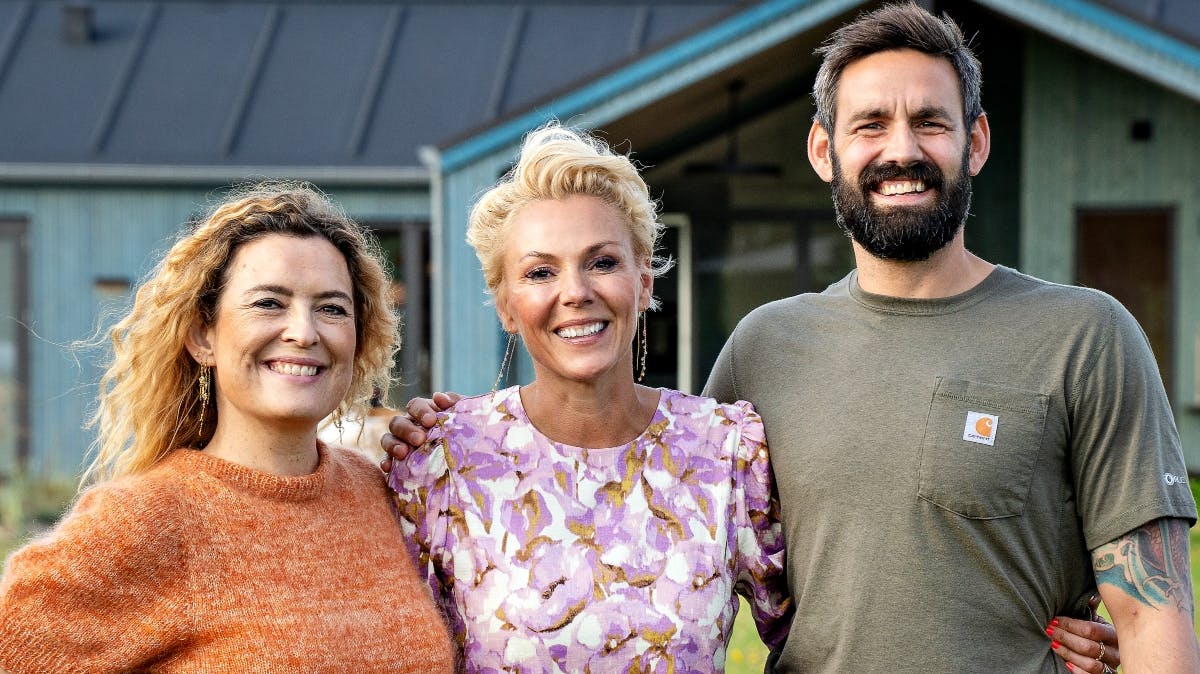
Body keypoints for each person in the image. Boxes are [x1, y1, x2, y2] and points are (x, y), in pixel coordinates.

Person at [386, 2, 1198, 672]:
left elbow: (1155, 617)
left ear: (976, 141)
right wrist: (429, 432)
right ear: (824, 149)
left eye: (932, 123)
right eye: (870, 124)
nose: (902, 151)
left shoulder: (1083, 335)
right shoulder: (764, 350)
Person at [386, 123, 793, 671]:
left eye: (602, 262)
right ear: (506, 305)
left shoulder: (727, 451)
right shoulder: (441, 460)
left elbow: (808, 640)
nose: (575, 292)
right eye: (540, 271)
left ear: (644, 282)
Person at [0, 183, 456, 672]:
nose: (304, 331)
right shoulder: (149, 517)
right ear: (202, 336)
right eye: (268, 303)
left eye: (331, 308)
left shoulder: (374, 489)